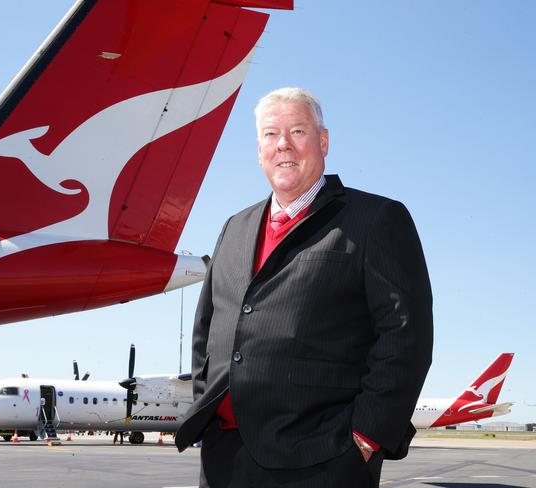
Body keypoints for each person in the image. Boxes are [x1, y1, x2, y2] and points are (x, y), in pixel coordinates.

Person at [175, 87, 433, 487]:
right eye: (270, 134)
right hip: (225, 458)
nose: (283, 145)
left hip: (321, 460)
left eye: (297, 131)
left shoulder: (376, 219)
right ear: (258, 148)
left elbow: (406, 337)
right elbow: (207, 331)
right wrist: (207, 405)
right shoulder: (234, 228)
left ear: (323, 141)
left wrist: (365, 437)